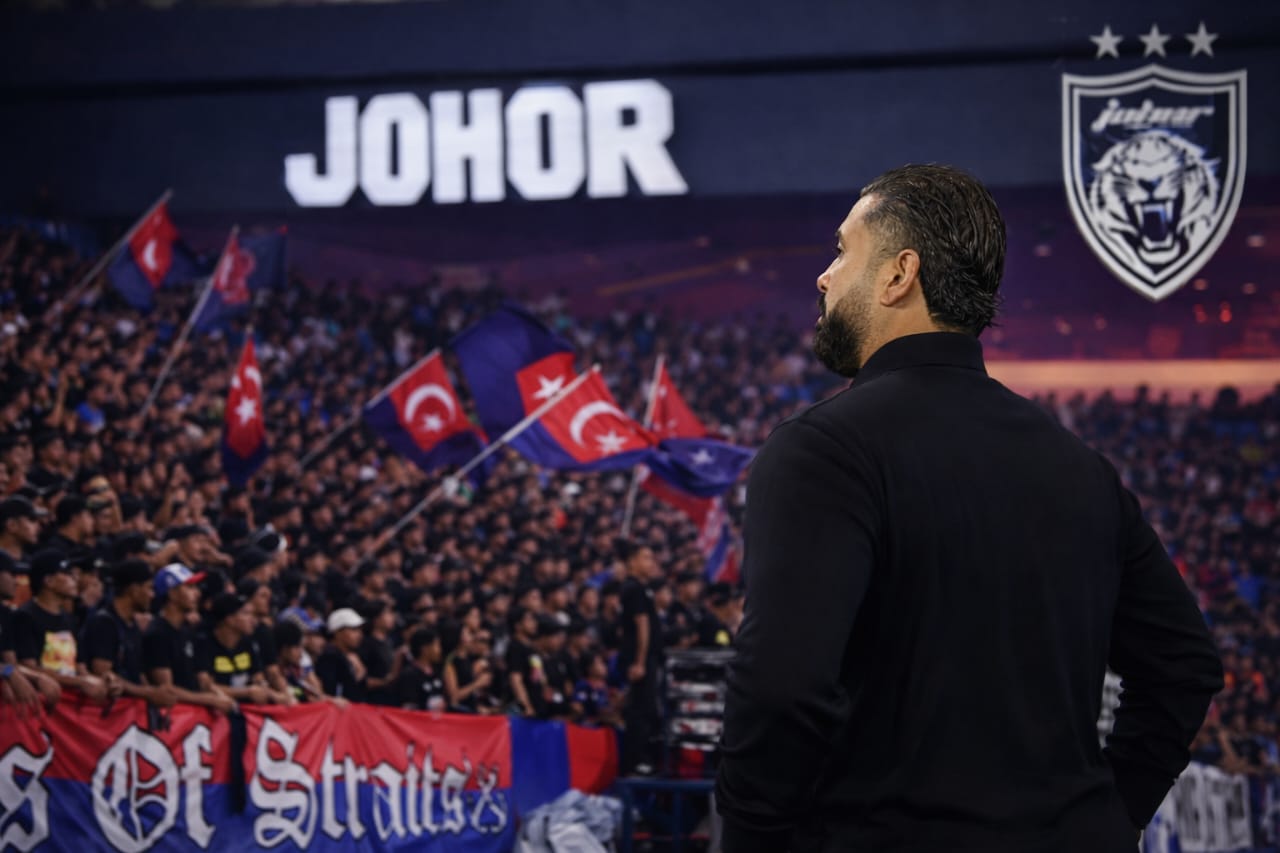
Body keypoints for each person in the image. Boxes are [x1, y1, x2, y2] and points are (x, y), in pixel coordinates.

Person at [714, 164, 1224, 853]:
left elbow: (780, 689)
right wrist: (1115, 812)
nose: (825, 277)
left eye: (842, 251)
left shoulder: (823, 450)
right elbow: (1184, 663)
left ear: (899, 275)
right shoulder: (1082, 468)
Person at [12, 550, 115, 701]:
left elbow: (79, 666)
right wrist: (80, 682)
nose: (74, 579)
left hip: (69, 702)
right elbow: (28, 667)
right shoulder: (25, 617)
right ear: (49, 581)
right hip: (43, 701)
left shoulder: (69, 619)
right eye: (67, 574)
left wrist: (102, 682)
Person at [79, 559, 176, 706]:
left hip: (131, 710)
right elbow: (103, 675)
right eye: (149, 588)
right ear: (134, 590)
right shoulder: (104, 623)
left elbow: (137, 673)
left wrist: (155, 693)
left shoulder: (132, 625)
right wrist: (148, 693)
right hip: (106, 712)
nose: (152, 595)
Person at [143, 563, 234, 712]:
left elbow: (202, 677)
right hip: (173, 717)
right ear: (172, 594)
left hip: (194, 715)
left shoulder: (188, 631)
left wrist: (219, 695)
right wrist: (209, 700)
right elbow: (166, 689)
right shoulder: (157, 634)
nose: (197, 593)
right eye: (190, 587)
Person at [618, 540, 663, 775]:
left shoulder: (643, 588)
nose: (651, 563)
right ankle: (634, 763)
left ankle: (643, 760)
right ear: (632, 561)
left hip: (647, 658)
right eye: (646, 558)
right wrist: (640, 661)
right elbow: (641, 625)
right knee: (639, 711)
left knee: (647, 709)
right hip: (641, 660)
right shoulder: (633, 588)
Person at [315, 607, 368, 702]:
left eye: (360, 630)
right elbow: (332, 692)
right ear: (338, 632)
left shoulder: (353, 656)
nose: (359, 635)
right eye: (354, 630)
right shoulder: (329, 658)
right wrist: (357, 675)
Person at [396, 627, 446, 712]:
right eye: (437, 645)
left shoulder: (437, 671)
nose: (440, 650)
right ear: (424, 649)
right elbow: (408, 708)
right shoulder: (409, 675)